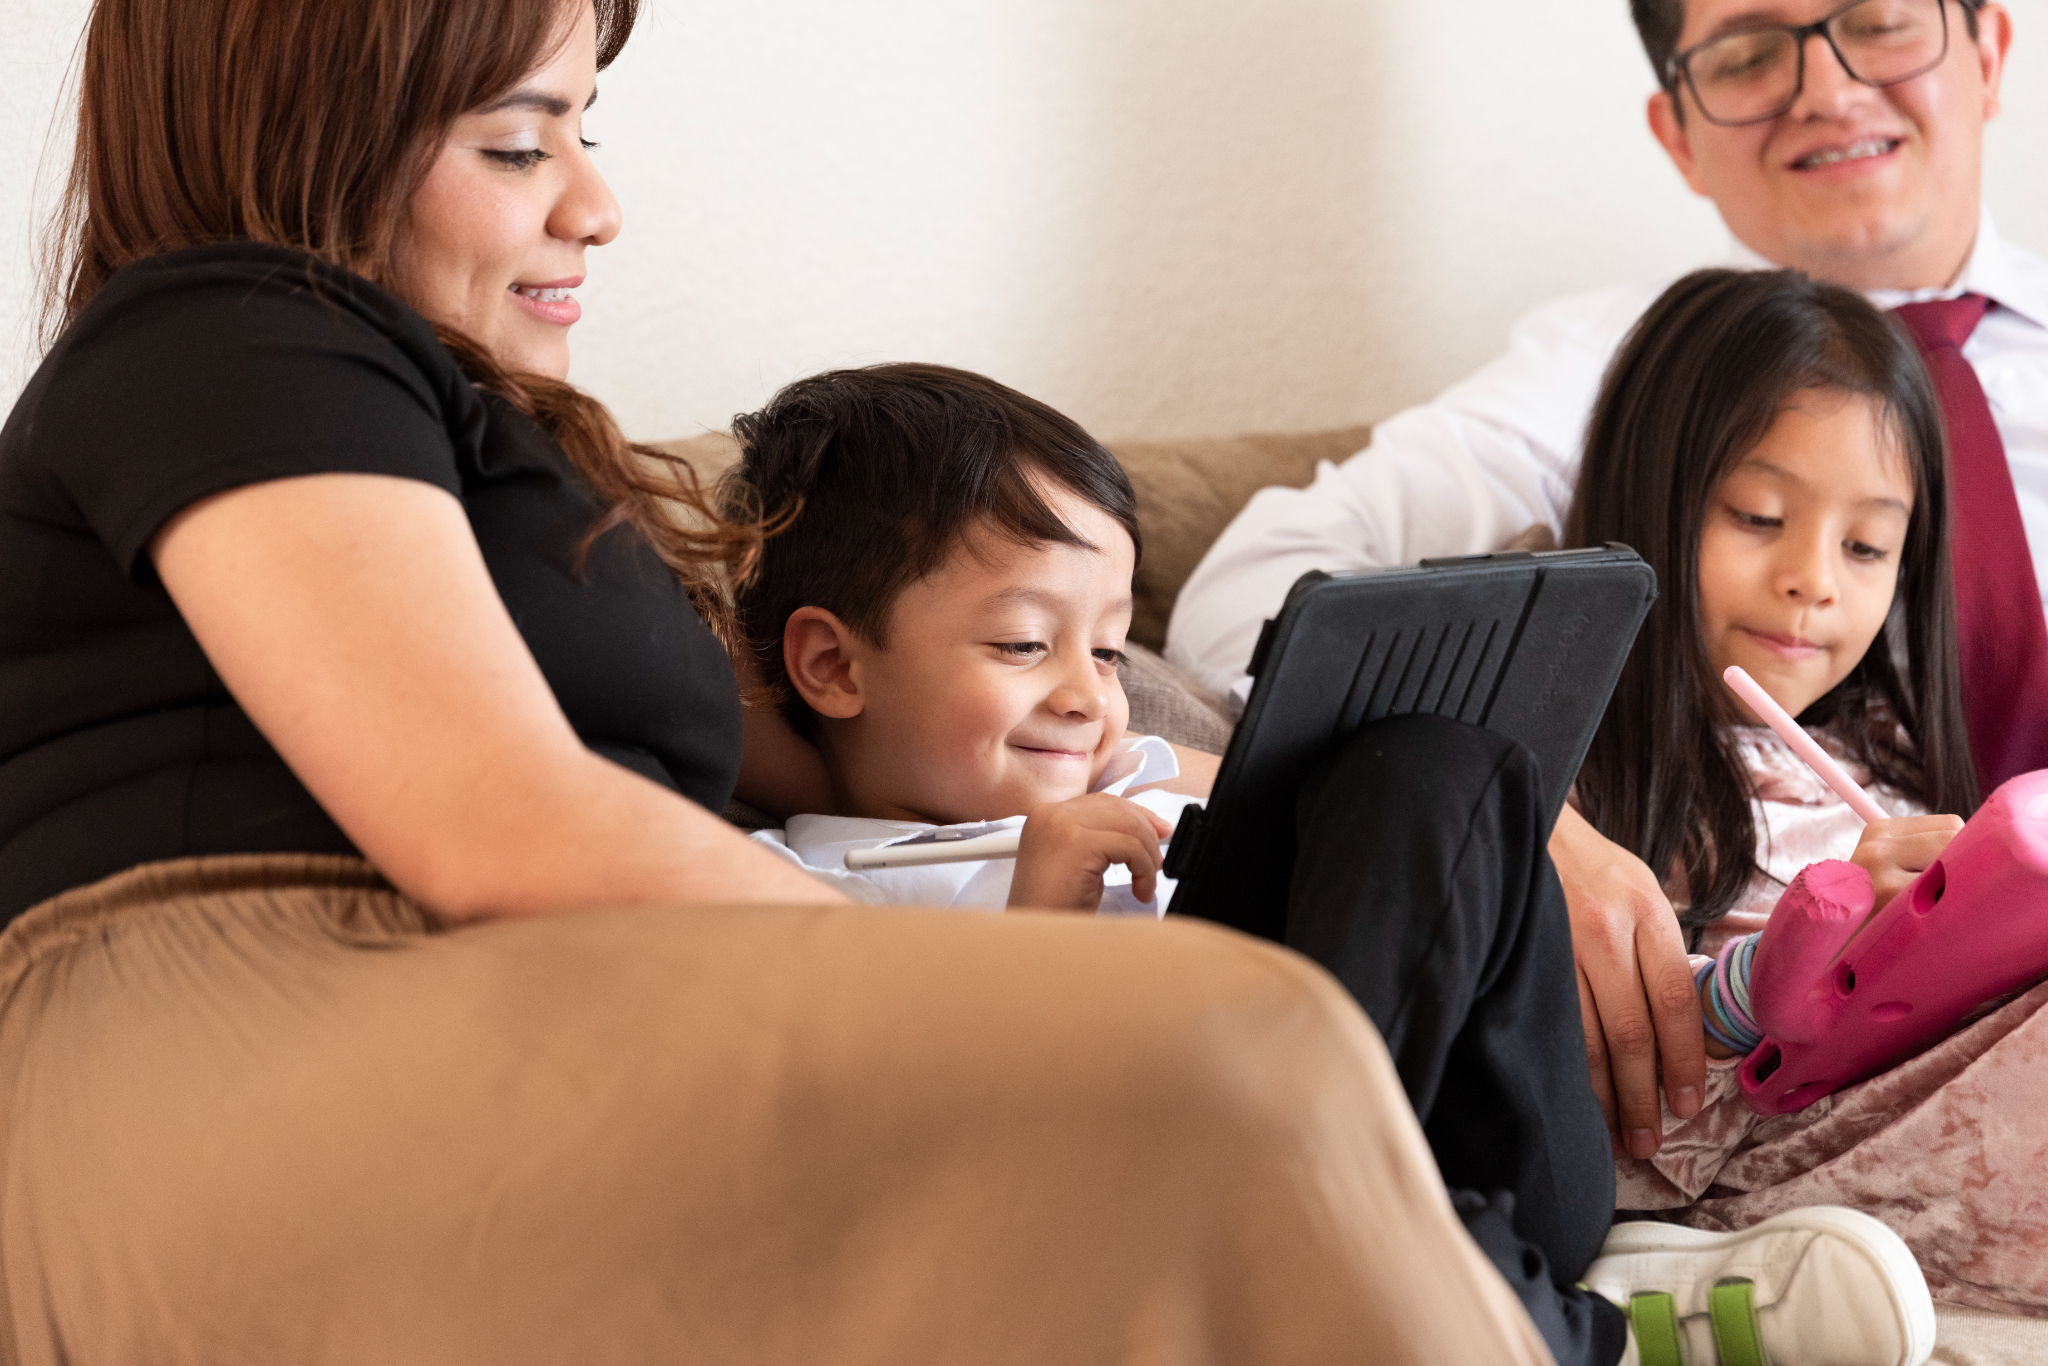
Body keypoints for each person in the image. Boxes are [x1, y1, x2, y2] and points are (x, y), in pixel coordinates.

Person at [0, 0, 1568, 1359]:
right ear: (312, 139)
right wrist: (988, 1001)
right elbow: (499, 825)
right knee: (1235, 1042)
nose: (598, 205)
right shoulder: (226, 332)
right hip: (256, 1026)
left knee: (1266, 1010)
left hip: (524, 994)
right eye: (520, 145)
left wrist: (1389, 800)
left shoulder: (479, 451)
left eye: (584, 132)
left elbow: (884, 743)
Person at [717, 362, 1941, 1366]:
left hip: (1470, 1156)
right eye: (1023, 644)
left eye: (1108, 646)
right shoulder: (804, 892)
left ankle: (1433, 1259)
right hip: (1187, 1220)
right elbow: (915, 1169)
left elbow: (1398, 831)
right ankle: (1565, 1318)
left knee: (1436, 758)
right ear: (832, 666)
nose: (1087, 695)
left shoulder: (1142, 768)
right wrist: (1038, 940)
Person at [1166, 0, 2045, 1169]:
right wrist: (1521, 818)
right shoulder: (1620, 377)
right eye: (1747, 54)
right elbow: (1254, 596)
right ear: (1676, 132)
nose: (1826, 89)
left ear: (1987, 53)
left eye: (1878, 22)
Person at [1569, 267, 2048, 1316]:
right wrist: (1780, 976)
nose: (1813, 579)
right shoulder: (1585, 793)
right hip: (1764, 1170)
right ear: (1648, 490)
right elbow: (1622, 1122)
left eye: (1865, 545)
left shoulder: (1892, 754)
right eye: (1758, 515)